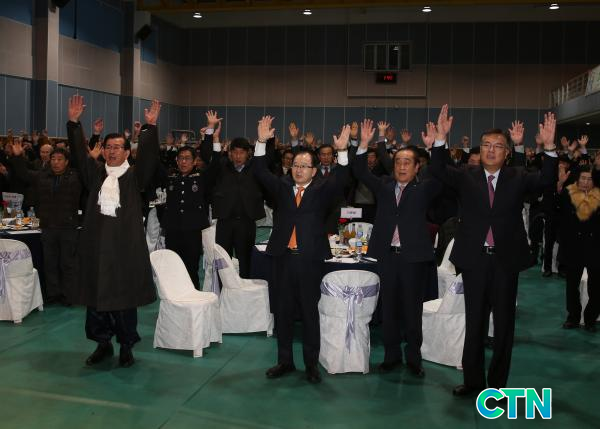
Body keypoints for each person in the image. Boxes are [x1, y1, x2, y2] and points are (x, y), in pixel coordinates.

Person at [428, 105, 558, 397]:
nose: (490, 150)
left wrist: (550, 147)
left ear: (507, 153)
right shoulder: (466, 175)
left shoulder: (518, 177)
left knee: (503, 327)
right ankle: (473, 381)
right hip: (474, 261)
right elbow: (437, 170)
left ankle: (497, 386)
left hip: (504, 262)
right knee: (474, 322)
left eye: (498, 146)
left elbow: (547, 181)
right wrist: (441, 139)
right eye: (486, 144)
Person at [253, 116, 351, 384]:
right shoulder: (282, 187)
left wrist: (343, 150)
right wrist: (261, 141)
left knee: (309, 313)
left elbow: (342, 178)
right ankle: (284, 361)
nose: (298, 170)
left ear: (314, 170)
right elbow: (260, 171)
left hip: (310, 260)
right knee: (283, 312)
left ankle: (311, 365)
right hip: (282, 258)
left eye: (304, 166)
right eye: (295, 165)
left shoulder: (322, 190)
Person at [67, 95, 161, 368]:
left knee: (124, 302)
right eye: (108, 147)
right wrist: (74, 123)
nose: (111, 151)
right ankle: (103, 344)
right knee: (95, 302)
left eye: (117, 147)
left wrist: (150, 128)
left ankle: (126, 346)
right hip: (96, 250)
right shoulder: (95, 174)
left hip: (124, 251)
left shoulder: (134, 177)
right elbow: (79, 155)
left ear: (127, 152)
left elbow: (149, 160)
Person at [353, 119, 442, 378]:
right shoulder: (383, 186)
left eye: (407, 163)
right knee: (389, 309)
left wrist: (436, 146)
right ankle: (391, 356)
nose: (402, 167)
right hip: (387, 257)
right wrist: (363, 144)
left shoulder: (424, 189)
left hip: (413, 259)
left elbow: (440, 173)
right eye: (398, 162)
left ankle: (414, 358)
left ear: (417, 167)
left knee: (412, 310)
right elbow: (360, 172)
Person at [9, 144, 82, 305]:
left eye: (59, 159)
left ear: (67, 162)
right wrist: (17, 157)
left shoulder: (76, 177)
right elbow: (23, 174)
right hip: (48, 227)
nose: (55, 162)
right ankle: (53, 294)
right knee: (50, 263)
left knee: (68, 264)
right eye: (53, 159)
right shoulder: (42, 176)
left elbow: (89, 171)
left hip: (68, 228)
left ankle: (69, 295)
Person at [163, 111, 221, 288]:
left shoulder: (201, 178)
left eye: (187, 158)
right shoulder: (170, 177)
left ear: (195, 161)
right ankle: (175, 300)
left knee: (191, 268)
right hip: (172, 230)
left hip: (192, 231)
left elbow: (214, 163)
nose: (183, 162)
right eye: (180, 158)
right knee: (173, 268)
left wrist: (210, 131)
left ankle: (193, 299)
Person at [557, 165, 599, 332]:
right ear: (577, 179)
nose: (586, 182)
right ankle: (573, 317)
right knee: (571, 285)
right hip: (573, 247)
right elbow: (558, 214)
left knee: (596, 287)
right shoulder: (568, 194)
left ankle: (590, 318)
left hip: (595, 247)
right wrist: (559, 186)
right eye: (583, 178)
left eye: (589, 179)